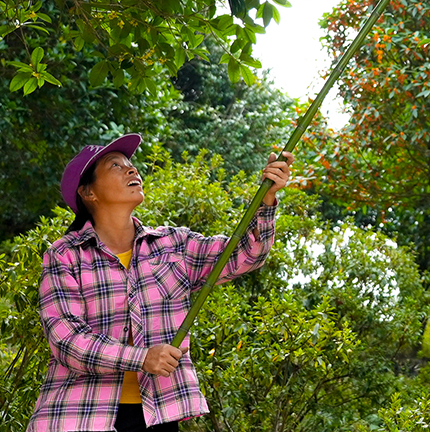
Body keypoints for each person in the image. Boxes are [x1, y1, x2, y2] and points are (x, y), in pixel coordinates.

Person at [27, 133, 293, 432]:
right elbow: (67, 340)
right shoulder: (65, 255)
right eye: (116, 165)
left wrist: (267, 197)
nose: (132, 170)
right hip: (80, 416)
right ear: (89, 193)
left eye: (131, 164)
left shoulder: (172, 245)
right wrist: (141, 358)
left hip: (158, 414)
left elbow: (246, 254)